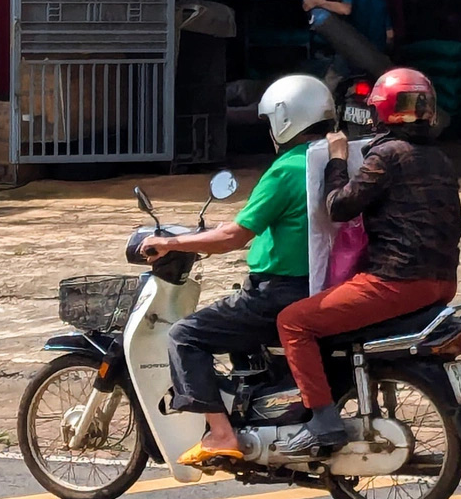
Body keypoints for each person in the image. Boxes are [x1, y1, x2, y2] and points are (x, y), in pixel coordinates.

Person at [139, 75, 330, 469]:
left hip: (278, 293)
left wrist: (172, 243)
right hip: (324, 285)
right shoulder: (333, 159)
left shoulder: (286, 169)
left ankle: (221, 434)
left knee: (186, 335)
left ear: (283, 120)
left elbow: (232, 236)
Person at [275, 67, 461, 455]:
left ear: (380, 111)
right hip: (442, 282)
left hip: (397, 282)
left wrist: (337, 160)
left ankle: (323, 421)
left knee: (293, 321)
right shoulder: (439, 159)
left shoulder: (387, 155)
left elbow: (338, 207)